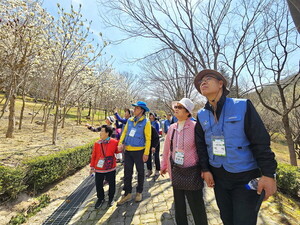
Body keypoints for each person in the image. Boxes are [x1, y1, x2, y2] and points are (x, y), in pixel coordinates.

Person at [194, 69, 277, 225]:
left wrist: (268, 174)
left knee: (243, 221)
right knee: (227, 219)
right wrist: (205, 169)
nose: (202, 82)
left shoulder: (243, 105)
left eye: (207, 78)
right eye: (200, 82)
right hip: (219, 178)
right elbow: (201, 145)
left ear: (221, 84)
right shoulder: (201, 115)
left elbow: (260, 141)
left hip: (245, 179)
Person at [160, 98, 208, 225]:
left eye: (180, 107)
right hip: (176, 171)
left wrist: (205, 169)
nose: (176, 109)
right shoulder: (172, 128)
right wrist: (163, 165)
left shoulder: (195, 127)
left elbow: (202, 150)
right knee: (179, 206)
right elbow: (166, 149)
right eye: (176, 106)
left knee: (197, 206)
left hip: (192, 173)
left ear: (188, 112)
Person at [117, 101, 152, 205]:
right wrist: (120, 143)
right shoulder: (130, 120)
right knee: (127, 173)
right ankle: (127, 193)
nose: (134, 110)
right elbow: (124, 133)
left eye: (136, 108)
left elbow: (148, 139)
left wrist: (146, 153)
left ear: (142, 110)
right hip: (128, 151)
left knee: (140, 172)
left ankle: (139, 192)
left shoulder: (146, 122)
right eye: (134, 108)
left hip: (139, 151)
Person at [89, 125, 121, 209]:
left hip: (110, 167)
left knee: (112, 184)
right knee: (98, 184)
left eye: (102, 131)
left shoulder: (114, 142)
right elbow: (94, 155)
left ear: (107, 133)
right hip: (99, 168)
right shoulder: (97, 143)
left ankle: (111, 199)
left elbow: (118, 151)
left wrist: (122, 146)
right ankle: (100, 198)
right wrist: (92, 167)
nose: (100, 133)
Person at [146, 112, 161, 177]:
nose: (150, 116)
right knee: (148, 156)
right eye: (150, 115)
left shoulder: (156, 123)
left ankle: (157, 169)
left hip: (155, 141)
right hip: (148, 142)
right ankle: (149, 170)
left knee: (156, 156)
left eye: (151, 115)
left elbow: (157, 136)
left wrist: (154, 146)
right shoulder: (147, 123)